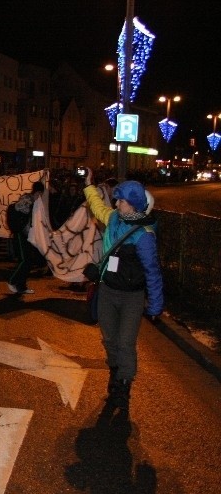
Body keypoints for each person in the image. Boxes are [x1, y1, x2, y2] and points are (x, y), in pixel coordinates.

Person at [83, 168, 163, 410]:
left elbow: (152, 271)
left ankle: (124, 385)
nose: (116, 203)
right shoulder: (114, 218)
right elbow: (97, 207)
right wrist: (89, 185)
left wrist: (156, 305)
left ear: (134, 205)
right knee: (110, 339)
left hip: (132, 297)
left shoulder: (144, 236)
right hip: (108, 291)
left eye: (121, 200)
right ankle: (116, 371)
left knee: (126, 342)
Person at [7, 181, 45, 294]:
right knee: (25, 260)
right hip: (21, 234)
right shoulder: (28, 200)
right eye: (41, 193)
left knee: (28, 260)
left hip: (26, 234)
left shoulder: (32, 201)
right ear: (38, 192)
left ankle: (22, 286)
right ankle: (12, 281)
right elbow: (18, 208)